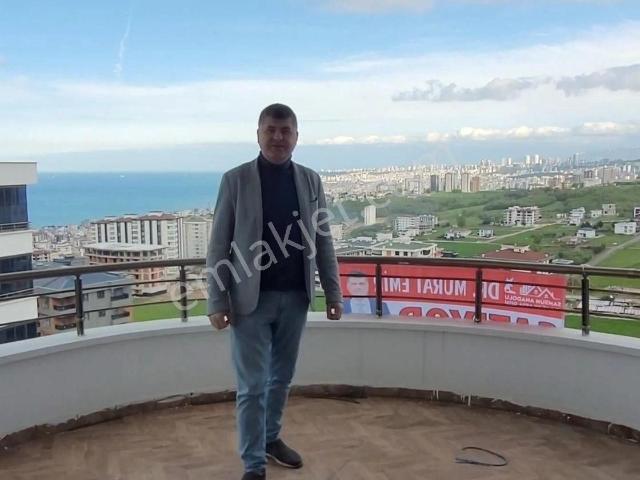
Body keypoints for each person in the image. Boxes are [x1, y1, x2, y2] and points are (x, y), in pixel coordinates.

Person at [206, 103, 343, 480]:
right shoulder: (235, 180)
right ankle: (253, 464)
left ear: (296, 137)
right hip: (249, 302)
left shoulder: (311, 181)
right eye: (271, 130)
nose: (278, 137)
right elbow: (218, 245)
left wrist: (333, 294)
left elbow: (323, 241)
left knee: (280, 380)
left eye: (286, 131)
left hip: (296, 298)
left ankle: (270, 439)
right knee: (252, 387)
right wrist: (217, 300)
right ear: (258, 135)